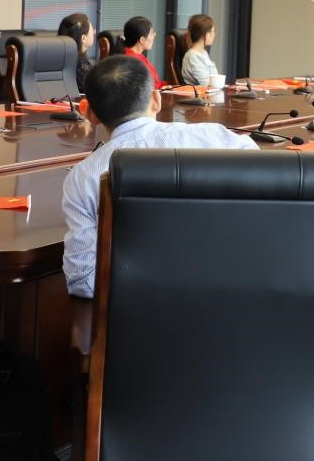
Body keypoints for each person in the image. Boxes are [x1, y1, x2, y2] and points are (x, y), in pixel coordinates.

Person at [61, 54, 257, 298]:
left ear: (90, 114)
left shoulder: (83, 177)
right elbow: (263, 181)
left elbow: (83, 282)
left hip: (139, 315)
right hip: (232, 296)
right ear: (156, 99)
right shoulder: (218, 139)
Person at [121, 15, 164, 88]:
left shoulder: (136, 56)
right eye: (151, 33)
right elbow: (148, 87)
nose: (155, 35)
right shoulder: (133, 61)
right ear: (142, 40)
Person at [57, 12, 95, 89]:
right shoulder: (83, 68)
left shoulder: (58, 60)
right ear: (83, 38)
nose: (94, 32)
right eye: (92, 31)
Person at [181, 13, 219, 86]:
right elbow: (206, 84)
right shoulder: (192, 56)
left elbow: (215, 78)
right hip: (198, 93)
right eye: (214, 31)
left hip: (209, 92)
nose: (214, 34)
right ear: (207, 35)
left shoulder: (203, 52)